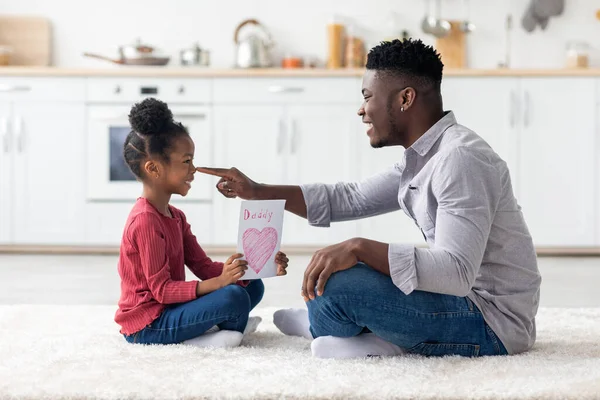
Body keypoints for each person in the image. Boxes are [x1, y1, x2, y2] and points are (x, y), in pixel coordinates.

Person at [196, 38, 542, 359]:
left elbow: (455, 272)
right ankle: (370, 337)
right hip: (458, 300)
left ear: (405, 99)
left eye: (367, 96)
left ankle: (343, 331)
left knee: (339, 286)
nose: (361, 110)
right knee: (334, 278)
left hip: (492, 321)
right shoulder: (423, 156)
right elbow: (349, 199)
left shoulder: (460, 159)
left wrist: (359, 247)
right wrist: (256, 191)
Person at [114, 97, 289, 348]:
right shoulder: (145, 221)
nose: (193, 169)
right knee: (233, 296)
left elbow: (203, 266)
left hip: (171, 308)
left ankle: (218, 326)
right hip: (148, 325)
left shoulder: (175, 216)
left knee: (252, 286)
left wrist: (257, 265)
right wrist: (220, 283)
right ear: (154, 169)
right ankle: (207, 334)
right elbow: (162, 291)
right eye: (186, 161)